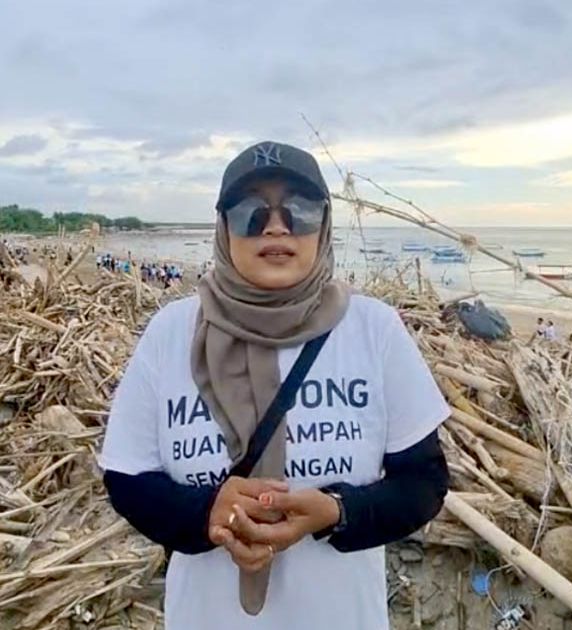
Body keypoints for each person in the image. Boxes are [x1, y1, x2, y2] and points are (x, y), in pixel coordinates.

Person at [99, 141, 450, 629]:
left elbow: (424, 484)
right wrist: (208, 515)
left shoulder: (374, 329)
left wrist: (336, 511)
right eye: (250, 211)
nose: (276, 226)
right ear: (222, 227)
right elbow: (127, 479)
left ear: (324, 224)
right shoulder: (171, 332)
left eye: (300, 209)